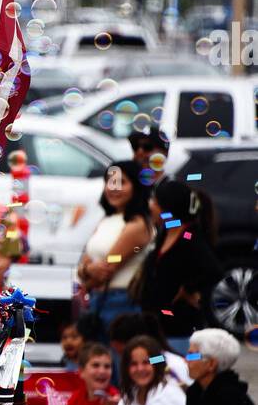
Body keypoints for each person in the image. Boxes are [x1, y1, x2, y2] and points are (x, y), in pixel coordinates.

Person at [131, 179, 222, 354]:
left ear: (166, 207)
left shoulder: (189, 235)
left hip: (178, 328)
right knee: (156, 369)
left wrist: (187, 289)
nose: (150, 206)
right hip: (155, 327)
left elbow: (213, 270)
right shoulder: (167, 231)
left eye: (155, 202)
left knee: (175, 370)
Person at [76, 161, 153, 340]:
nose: (114, 188)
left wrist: (86, 275)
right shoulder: (107, 219)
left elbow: (107, 268)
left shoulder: (137, 224)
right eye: (110, 181)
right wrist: (87, 270)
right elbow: (85, 262)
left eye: (122, 182)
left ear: (136, 186)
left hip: (120, 303)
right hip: (99, 299)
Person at [107, 310, 190, 387]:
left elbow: (162, 358)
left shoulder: (165, 359)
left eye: (122, 353)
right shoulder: (157, 359)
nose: (124, 359)